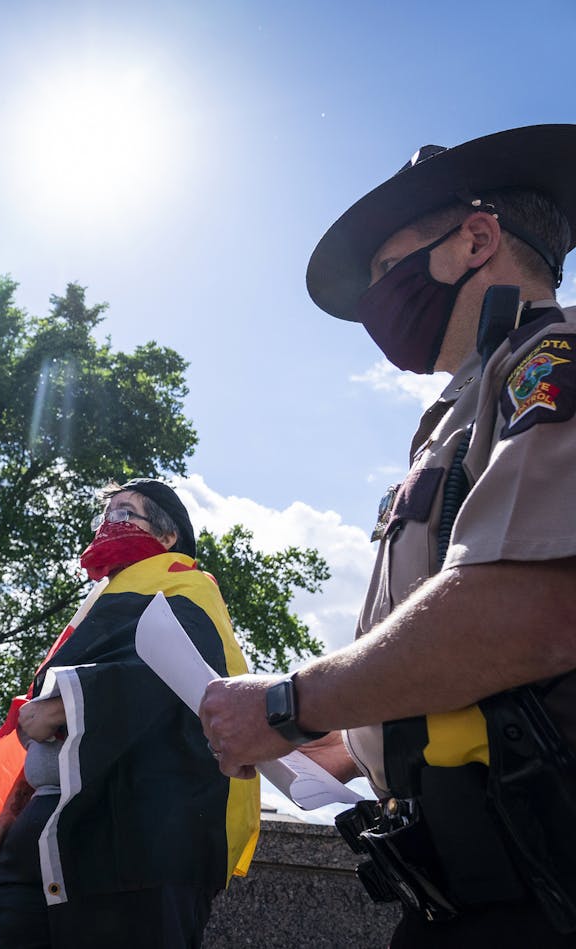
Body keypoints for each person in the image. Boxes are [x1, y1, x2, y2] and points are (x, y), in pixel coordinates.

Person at [198, 125, 576, 946]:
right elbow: (450, 671)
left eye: (385, 268)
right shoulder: (461, 410)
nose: (376, 298)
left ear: (475, 239)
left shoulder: (554, 362)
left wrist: (289, 703)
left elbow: (530, 611)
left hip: (544, 893)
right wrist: (345, 739)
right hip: (457, 893)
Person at [0, 479, 259, 949]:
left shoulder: (187, 589)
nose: (109, 525)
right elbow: (53, 735)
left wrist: (63, 705)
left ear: (168, 537)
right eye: (104, 516)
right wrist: (16, 806)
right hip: (46, 834)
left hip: (131, 842)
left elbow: (175, 680)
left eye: (125, 513)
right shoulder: (101, 604)